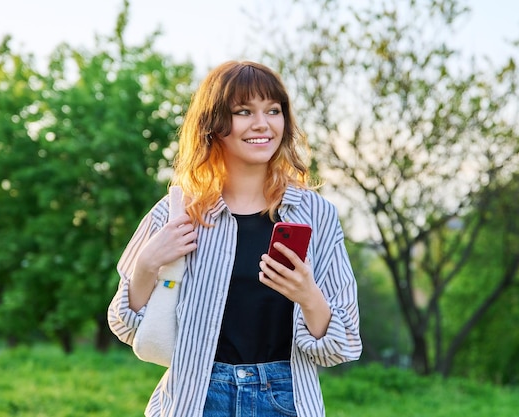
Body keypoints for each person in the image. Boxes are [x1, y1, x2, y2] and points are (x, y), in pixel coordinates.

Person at [108, 60, 361, 417]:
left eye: (273, 110)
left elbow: (342, 342)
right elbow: (126, 325)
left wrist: (307, 294)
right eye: (244, 111)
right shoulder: (177, 211)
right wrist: (148, 263)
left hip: (286, 399)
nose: (262, 124)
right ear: (214, 125)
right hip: (196, 398)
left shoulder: (315, 214)